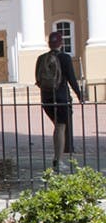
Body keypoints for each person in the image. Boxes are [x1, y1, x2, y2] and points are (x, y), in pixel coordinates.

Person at [35, 30, 83, 172]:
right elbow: (71, 79)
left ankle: (58, 157)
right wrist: (80, 95)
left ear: (49, 44)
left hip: (47, 98)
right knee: (60, 128)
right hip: (61, 98)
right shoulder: (65, 58)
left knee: (58, 127)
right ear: (61, 43)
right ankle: (58, 160)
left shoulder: (41, 58)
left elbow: (38, 79)